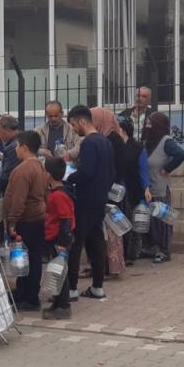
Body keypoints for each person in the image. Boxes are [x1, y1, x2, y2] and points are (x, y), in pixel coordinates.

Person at [65, 106, 113, 300]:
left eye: (74, 124)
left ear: (82, 121)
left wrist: (69, 178)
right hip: (100, 199)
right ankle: (97, 287)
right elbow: (110, 173)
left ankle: (72, 290)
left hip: (85, 201)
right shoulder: (105, 142)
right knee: (96, 243)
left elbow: (87, 172)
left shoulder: (89, 143)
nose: (74, 129)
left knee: (76, 244)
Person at [4, 130, 48, 310]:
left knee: (28, 258)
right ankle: (23, 291)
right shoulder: (39, 165)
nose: (15, 150)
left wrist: (12, 221)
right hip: (37, 217)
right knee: (33, 256)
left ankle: (29, 297)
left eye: (17, 147)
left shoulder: (23, 170)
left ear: (24, 148)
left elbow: (18, 199)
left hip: (27, 219)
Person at [142, 112, 184, 264]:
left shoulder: (166, 142)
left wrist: (167, 168)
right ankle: (152, 247)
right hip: (149, 187)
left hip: (160, 187)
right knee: (151, 221)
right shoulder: (149, 142)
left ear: (158, 125)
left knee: (163, 220)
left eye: (150, 124)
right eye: (146, 123)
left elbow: (181, 154)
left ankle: (165, 250)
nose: (147, 127)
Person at [90, 108, 127, 278]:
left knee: (111, 231)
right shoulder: (104, 138)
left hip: (111, 193)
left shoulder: (112, 140)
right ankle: (102, 266)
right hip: (107, 190)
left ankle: (112, 267)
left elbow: (116, 169)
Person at [41, 156, 76, 319]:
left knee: (60, 272)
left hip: (59, 239)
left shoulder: (59, 196)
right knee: (56, 272)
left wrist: (62, 242)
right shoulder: (55, 193)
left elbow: (66, 219)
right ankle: (57, 302)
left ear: (48, 174)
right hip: (55, 237)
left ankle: (63, 305)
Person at [117, 117, 152, 266]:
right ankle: (119, 253)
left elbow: (143, 169)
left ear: (123, 130)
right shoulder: (114, 146)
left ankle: (131, 254)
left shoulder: (138, 148)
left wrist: (146, 188)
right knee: (119, 222)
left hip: (133, 190)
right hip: (117, 192)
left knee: (132, 222)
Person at [0, 114, 22, 194]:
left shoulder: (12, 148)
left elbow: (7, 175)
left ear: (6, 129)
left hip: (15, 191)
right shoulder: (22, 139)